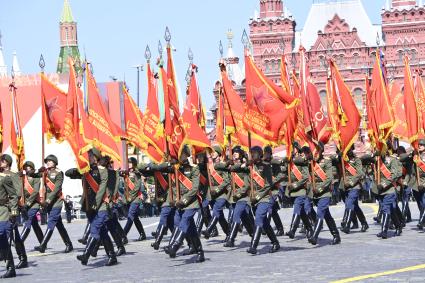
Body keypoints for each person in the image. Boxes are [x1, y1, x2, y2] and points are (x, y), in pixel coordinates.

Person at [69, 148, 117, 266]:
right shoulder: (86, 170)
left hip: (100, 206)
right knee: (102, 232)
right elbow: (68, 173)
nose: (87, 157)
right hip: (89, 206)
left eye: (89, 155)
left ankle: (86, 255)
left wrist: (96, 202)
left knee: (94, 229)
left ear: (95, 158)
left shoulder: (103, 171)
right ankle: (112, 256)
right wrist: (77, 168)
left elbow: (102, 189)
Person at [165, 145, 205, 263]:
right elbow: (174, 186)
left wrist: (184, 201)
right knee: (188, 227)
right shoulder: (178, 168)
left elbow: (194, 188)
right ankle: (200, 252)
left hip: (191, 203)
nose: (179, 157)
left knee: (184, 221)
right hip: (180, 203)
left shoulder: (194, 168)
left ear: (187, 156)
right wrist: (174, 200)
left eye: (181, 155)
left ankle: (175, 245)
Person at [33, 154, 73, 254]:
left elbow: (56, 189)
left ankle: (43, 245)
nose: (48, 163)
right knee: (59, 225)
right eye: (47, 161)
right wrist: (38, 171)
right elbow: (34, 176)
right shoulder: (45, 172)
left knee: (51, 222)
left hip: (56, 202)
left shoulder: (59, 173)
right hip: (49, 203)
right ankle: (69, 244)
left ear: (55, 162)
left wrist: (48, 200)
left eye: (50, 161)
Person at [246, 146, 280, 255]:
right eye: (251, 153)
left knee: (259, 219)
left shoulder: (265, 167)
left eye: (255, 153)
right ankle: (275, 242)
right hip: (254, 199)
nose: (253, 155)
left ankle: (253, 246)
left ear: (260, 154)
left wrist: (257, 196)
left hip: (264, 198)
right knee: (264, 223)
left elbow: (268, 185)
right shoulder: (250, 167)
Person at [308, 143, 340, 245]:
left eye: (317, 151)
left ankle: (314, 236)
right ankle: (336, 236)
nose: (315, 153)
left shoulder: (327, 161)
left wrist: (320, 188)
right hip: (315, 194)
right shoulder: (311, 163)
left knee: (320, 213)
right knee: (327, 215)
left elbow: (329, 178)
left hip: (325, 192)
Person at [201, 145, 231, 240]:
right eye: (211, 152)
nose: (212, 154)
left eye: (214, 152)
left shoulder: (223, 164)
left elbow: (226, 181)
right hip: (212, 194)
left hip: (222, 193)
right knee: (220, 216)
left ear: (218, 154)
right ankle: (229, 234)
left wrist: (217, 190)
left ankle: (209, 230)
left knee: (216, 210)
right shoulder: (208, 165)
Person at [0, 154, 20, 278]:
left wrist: (13, 213)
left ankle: (11, 268)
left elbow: (13, 196)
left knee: (2, 238)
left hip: (2, 212)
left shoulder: (4, 178)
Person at [121, 157, 147, 241]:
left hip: (135, 197)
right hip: (128, 198)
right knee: (135, 217)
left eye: (130, 163)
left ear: (134, 164)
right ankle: (142, 234)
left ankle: (123, 236)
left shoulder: (136, 172)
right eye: (128, 162)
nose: (129, 164)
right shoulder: (126, 172)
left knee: (130, 216)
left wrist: (130, 197)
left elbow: (137, 186)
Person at [20, 161, 44, 245]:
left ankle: (20, 241)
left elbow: (35, 192)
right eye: (25, 167)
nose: (27, 168)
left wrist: (27, 204)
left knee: (28, 220)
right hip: (26, 204)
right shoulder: (23, 177)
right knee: (35, 224)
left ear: (32, 168)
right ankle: (43, 243)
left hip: (34, 203)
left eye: (29, 167)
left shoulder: (36, 177)